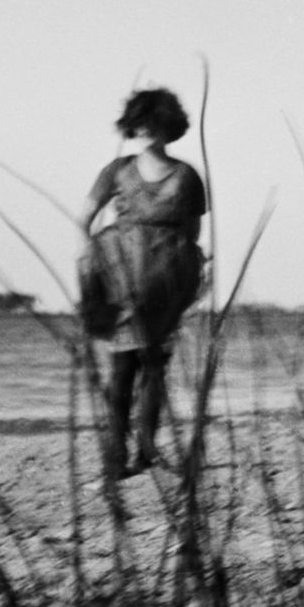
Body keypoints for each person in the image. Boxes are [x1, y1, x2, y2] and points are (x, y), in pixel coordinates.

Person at [76, 87, 207, 479]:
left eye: (157, 124)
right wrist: (96, 261)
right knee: (121, 368)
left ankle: (147, 449)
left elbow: (193, 232)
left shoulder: (187, 176)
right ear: (133, 126)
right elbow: (84, 218)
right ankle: (117, 452)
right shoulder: (116, 171)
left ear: (170, 127)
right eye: (142, 124)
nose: (149, 131)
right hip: (120, 279)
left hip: (165, 284)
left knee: (154, 366)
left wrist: (181, 277)